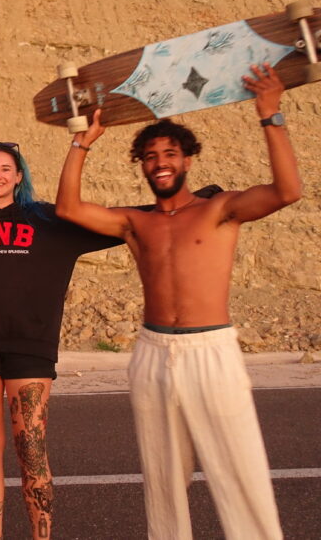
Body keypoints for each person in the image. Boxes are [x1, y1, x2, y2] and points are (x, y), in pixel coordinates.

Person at [55, 63, 300, 540]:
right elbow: (68, 208)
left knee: (239, 468)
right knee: (163, 481)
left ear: (188, 161)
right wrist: (82, 141)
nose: (160, 161)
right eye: (149, 155)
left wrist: (271, 114)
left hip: (212, 352)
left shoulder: (219, 210)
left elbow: (287, 191)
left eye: (170, 153)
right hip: (152, 353)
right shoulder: (134, 222)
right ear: (141, 165)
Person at [0, 141, 123, 540]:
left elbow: (120, 222)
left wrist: (181, 206)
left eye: (6, 168)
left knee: (32, 452)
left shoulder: (50, 221)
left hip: (31, 348)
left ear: (19, 176)